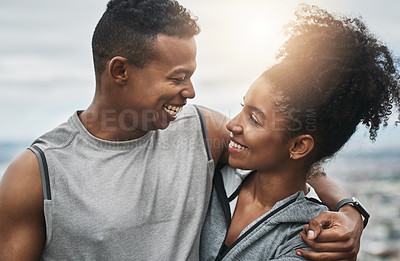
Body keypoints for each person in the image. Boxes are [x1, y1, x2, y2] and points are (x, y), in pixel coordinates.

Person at [0, 0, 364, 260]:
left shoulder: (203, 130)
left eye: (191, 75)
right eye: (178, 78)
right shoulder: (37, 174)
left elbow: (290, 155)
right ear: (120, 71)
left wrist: (348, 210)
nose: (190, 92)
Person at [200, 4, 400, 260]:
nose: (232, 124)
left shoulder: (312, 239)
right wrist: (350, 207)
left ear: (298, 146)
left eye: (254, 118)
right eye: (242, 107)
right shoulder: (211, 168)